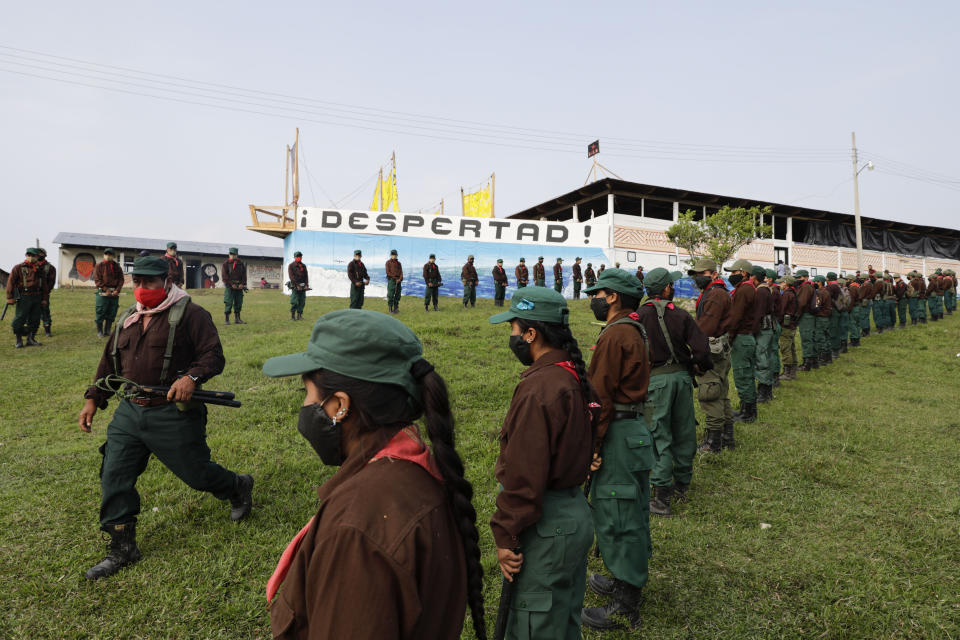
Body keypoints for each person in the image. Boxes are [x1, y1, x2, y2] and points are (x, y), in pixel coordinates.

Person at [260, 310, 486, 640]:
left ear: (340, 406)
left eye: (307, 394)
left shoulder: (357, 528)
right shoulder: (414, 465)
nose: (306, 406)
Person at [78, 256, 253, 580]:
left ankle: (237, 486)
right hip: (130, 412)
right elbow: (109, 365)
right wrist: (93, 399)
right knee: (114, 474)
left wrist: (191, 379)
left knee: (197, 475)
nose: (143, 289)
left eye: (151, 283)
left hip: (170, 413)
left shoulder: (191, 314)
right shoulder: (129, 318)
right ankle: (122, 547)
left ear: (167, 281)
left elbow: (213, 356)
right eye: (138, 282)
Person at [488, 287, 594, 639]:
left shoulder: (541, 388)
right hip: (572, 513)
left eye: (514, 328)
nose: (512, 336)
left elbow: (524, 474)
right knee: (562, 619)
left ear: (531, 334)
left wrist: (506, 534)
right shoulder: (569, 372)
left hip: (547, 524)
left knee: (535, 626)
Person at [580, 268, 651, 631]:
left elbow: (600, 398)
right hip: (633, 431)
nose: (592, 297)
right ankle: (625, 579)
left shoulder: (616, 335)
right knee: (632, 511)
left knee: (619, 515)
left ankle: (626, 604)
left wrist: (591, 445)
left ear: (613, 298)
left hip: (618, 434)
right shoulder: (634, 328)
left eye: (598, 293)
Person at [637, 269, 711, 516]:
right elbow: (701, 348)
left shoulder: (638, 317)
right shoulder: (680, 314)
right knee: (684, 429)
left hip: (655, 380)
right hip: (681, 379)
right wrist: (699, 365)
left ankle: (661, 497)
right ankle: (682, 483)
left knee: (660, 435)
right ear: (666, 289)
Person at [689, 258, 734, 452]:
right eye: (697, 275)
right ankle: (726, 436)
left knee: (710, 393)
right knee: (721, 393)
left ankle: (713, 441)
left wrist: (695, 351)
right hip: (719, 347)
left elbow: (706, 328)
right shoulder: (716, 292)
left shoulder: (715, 294)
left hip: (711, 349)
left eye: (703, 274)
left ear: (714, 274)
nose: (699, 278)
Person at [724, 259, 759, 423]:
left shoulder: (744, 289)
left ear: (743, 273)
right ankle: (747, 409)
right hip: (746, 337)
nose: (731, 275)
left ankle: (748, 413)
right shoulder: (747, 288)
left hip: (742, 337)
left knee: (743, 375)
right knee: (746, 374)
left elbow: (736, 317)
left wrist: (729, 338)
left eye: (734, 272)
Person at [6, 247, 48, 348]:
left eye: (33, 255)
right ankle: (19, 340)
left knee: (35, 320)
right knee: (19, 319)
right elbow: (10, 282)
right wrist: (9, 297)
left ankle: (31, 339)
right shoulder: (18, 268)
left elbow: (44, 286)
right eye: (28, 255)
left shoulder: (40, 270)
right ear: (26, 255)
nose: (30, 257)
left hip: (37, 297)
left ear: (37, 257)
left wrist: (44, 298)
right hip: (24, 297)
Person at [751, 266, 776, 404]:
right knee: (767, 357)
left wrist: (753, 330)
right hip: (768, 327)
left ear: (754, 277)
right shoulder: (767, 289)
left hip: (763, 329)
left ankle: (763, 391)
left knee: (762, 358)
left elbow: (758, 313)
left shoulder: (761, 291)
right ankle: (768, 389)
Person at [94, 248, 124, 338]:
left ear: (113, 256)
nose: (108, 256)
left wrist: (117, 290)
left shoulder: (117, 267)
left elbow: (121, 280)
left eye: (110, 254)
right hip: (103, 292)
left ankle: (107, 330)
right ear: (104, 255)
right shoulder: (99, 266)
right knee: (101, 311)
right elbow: (97, 280)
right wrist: (106, 289)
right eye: (106, 254)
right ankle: (100, 331)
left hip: (114, 292)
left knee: (112, 311)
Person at [794, 270, 819, 371]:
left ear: (806, 277)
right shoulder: (811, 286)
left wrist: (797, 315)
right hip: (810, 315)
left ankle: (807, 363)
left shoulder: (805, 287)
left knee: (806, 339)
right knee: (811, 338)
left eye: (799, 278)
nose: (797, 280)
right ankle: (814, 361)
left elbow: (802, 303)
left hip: (806, 316)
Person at [776, 276, 799, 381]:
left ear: (786, 283)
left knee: (785, 348)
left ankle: (787, 372)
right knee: (791, 348)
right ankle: (793, 371)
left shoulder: (786, 294)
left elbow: (781, 310)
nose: (780, 285)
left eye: (781, 283)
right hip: (792, 324)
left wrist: (778, 321)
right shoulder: (794, 293)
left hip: (786, 325)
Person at [222, 248, 247, 325]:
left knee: (238, 302)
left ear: (237, 255)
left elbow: (244, 275)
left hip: (239, 286)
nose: (233, 255)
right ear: (229, 254)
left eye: (234, 254)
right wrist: (231, 284)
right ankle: (227, 319)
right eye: (231, 254)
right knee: (228, 302)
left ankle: (237, 319)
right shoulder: (226, 264)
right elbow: (224, 276)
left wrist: (242, 284)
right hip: (230, 286)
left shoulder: (241, 263)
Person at [813, 276, 833, 365]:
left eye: (816, 282)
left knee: (820, 338)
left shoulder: (819, 293)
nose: (814, 283)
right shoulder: (826, 292)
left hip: (821, 317)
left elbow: (816, 306)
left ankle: (822, 358)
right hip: (826, 318)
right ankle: (828, 357)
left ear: (820, 282)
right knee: (826, 337)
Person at [36, 248, 56, 337]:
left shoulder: (50, 268)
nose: (39, 255)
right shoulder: (31, 266)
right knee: (30, 312)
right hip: (31, 294)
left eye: (41, 253)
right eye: (37, 253)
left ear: (44, 255)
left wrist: (45, 292)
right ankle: (30, 331)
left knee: (45, 312)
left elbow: (51, 282)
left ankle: (47, 331)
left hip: (44, 294)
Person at [288, 251, 309, 321]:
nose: (299, 258)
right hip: (295, 286)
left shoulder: (303, 266)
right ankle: (293, 317)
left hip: (303, 286)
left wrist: (306, 285)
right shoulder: (291, 266)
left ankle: (299, 316)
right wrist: (297, 285)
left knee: (302, 301)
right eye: (297, 257)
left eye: (300, 257)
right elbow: (291, 277)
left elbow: (306, 276)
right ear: (295, 257)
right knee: (295, 301)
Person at [385, 249, 403, 314]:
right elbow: (388, 272)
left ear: (397, 255)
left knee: (398, 294)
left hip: (398, 281)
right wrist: (395, 278)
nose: (394, 256)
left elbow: (401, 272)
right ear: (390, 255)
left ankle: (396, 308)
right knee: (390, 294)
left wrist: (400, 279)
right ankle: (390, 308)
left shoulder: (399, 263)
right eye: (392, 255)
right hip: (392, 280)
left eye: (395, 255)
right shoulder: (388, 262)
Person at [846, 274, 863, 346]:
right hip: (858, 307)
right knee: (857, 324)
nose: (846, 281)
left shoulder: (852, 288)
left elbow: (851, 300)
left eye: (847, 279)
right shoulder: (857, 286)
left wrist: (848, 309)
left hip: (854, 307)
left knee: (852, 324)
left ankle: (854, 340)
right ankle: (857, 339)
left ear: (851, 280)